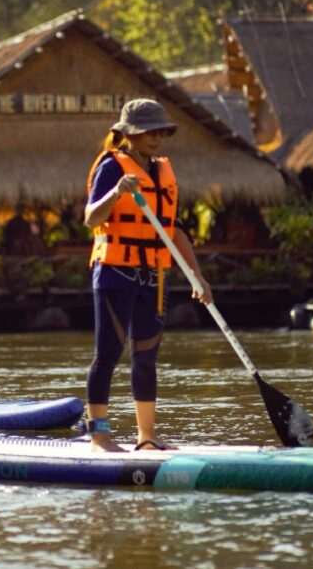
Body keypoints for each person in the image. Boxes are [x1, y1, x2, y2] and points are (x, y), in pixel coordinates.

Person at [83, 99, 213, 452]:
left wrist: (196, 278)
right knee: (107, 354)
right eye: (148, 132)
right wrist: (117, 192)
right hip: (114, 272)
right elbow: (92, 218)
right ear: (129, 134)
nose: (156, 138)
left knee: (146, 359)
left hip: (154, 275)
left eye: (161, 132)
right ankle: (99, 437)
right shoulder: (111, 167)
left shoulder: (160, 171)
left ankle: (147, 436)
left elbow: (176, 231)